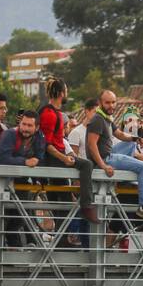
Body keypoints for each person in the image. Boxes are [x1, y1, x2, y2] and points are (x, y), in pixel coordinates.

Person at [38, 78, 99, 226]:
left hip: (59, 157)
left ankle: (62, 240)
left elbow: (59, 141)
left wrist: (68, 154)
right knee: (86, 165)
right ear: (61, 93)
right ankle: (87, 206)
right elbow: (47, 144)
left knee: (62, 203)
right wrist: (64, 158)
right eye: (66, 91)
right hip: (54, 159)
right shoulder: (49, 113)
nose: (67, 94)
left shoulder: (56, 113)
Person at [88, 89, 143, 222]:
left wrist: (135, 138)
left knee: (130, 144)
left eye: (113, 102)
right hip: (106, 159)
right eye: (107, 103)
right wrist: (103, 165)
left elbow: (120, 134)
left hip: (109, 155)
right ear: (100, 103)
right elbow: (91, 145)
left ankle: (129, 175)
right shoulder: (98, 119)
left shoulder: (106, 118)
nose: (111, 106)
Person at [0, 109, 47, 247]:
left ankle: (13, 247)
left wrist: (34, 161)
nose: (25, 128)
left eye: (30, 126)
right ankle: (3, 247)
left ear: (37, 128)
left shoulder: (40, 137)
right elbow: (2, 158)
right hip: (0, 182)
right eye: (23, 124)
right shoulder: (10, 135)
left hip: (22, 182)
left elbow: (40, 158)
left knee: (20, 216)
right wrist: (25, 162)